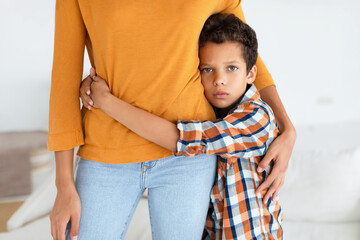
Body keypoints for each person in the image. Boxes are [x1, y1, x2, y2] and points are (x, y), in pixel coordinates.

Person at [48, 1, 295, 239]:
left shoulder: (248, 120)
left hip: (188, 159)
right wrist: (63, 185)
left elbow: (243, 54)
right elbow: (64, 77)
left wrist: (287, 128)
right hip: (106, 150)